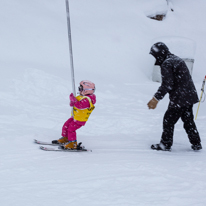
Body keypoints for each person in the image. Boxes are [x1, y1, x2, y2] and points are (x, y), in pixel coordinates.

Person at [147, 42, 202, 151]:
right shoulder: (176, 59)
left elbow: (167, 84)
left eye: (155, 56)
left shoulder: (167, 63)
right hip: (188, 95)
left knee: (168, 120)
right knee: (188, 120)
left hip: (179, 98)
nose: (155, 59)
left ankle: (165, 144)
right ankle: (196, 143)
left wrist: (155, 99)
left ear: (160, 54)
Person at [52, 80, 96, 150]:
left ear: (86, 90)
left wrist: (74, 101)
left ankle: (72, 143)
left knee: (71, 129)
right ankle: (66, 138)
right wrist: (72, 101)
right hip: (75, 117)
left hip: (80, 119)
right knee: (66, 125)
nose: (79, 90)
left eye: (80, 88)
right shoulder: (81, 96)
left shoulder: (88, 99)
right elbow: (72, 105)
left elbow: (80, 105)